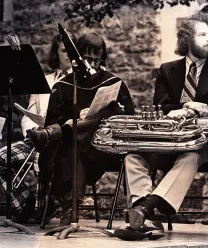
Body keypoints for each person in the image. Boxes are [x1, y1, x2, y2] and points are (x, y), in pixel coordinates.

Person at [123, 12, 208, 231]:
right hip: (165, 142)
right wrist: (188, 107)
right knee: (133, 156)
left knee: (190, 157)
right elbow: (161, 105)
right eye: (203, 34)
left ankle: (145, 209)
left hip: (200, 144)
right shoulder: (166, 69)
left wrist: (201, 109)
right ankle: (145, 217)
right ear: (187, 39)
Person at [27, 32, 135, 226]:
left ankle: (69, 211)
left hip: (103, 149)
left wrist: (94, 117)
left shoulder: (113, 83)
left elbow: (127, 119)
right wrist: (75, 119)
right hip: (71, 150)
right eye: (88, 59)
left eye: (97, 60)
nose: (93, 65)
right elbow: (54, 117)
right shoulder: (64, 85)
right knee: (72, 146)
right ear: (77, 58)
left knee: (107, 113)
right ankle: (70, 209)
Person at [0, 33, 74, 223]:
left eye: (71, 50)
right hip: (35, 139)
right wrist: (33, 134)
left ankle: (43, 208)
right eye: (64, 50)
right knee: (0, 158)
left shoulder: (80, 82)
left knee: (41, 215)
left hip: (60, 144)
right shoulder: (43, 80)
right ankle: (25, 201)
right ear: (56, 54)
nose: (69, 54)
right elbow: (28, 115)